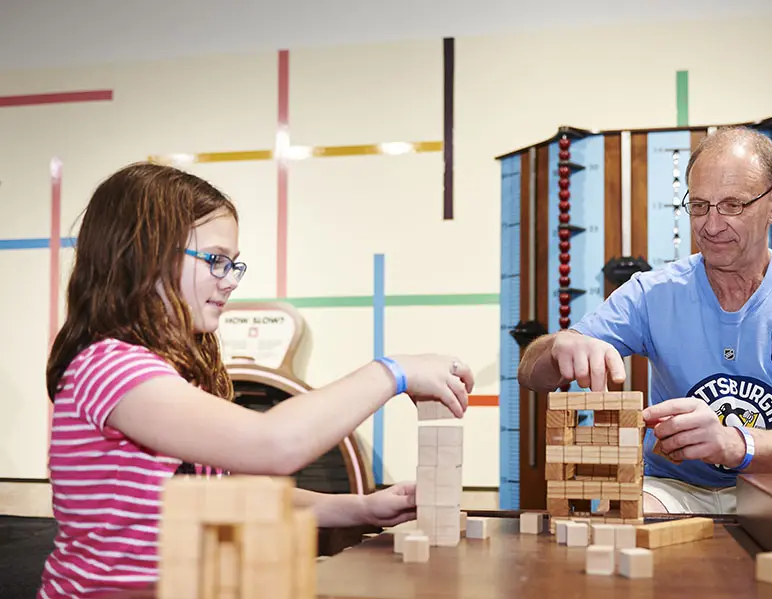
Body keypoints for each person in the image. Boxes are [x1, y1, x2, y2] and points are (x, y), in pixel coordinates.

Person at [38, 162, 474, 599]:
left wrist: (361, 508)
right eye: (215, 260)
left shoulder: (169, 374)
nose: (229, 281)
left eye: (233, 265)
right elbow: (272, 444)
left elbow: (235, 490)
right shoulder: (111, 367)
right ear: (144, 253)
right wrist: (393, 371)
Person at [518, 126, 772, 515]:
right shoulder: (652, 293)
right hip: (673, 486)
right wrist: (557, 347)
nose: (712, 226)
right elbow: (531, 375)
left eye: (733, 205)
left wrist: (733, 443)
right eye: (700, 205)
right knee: (620, 527)